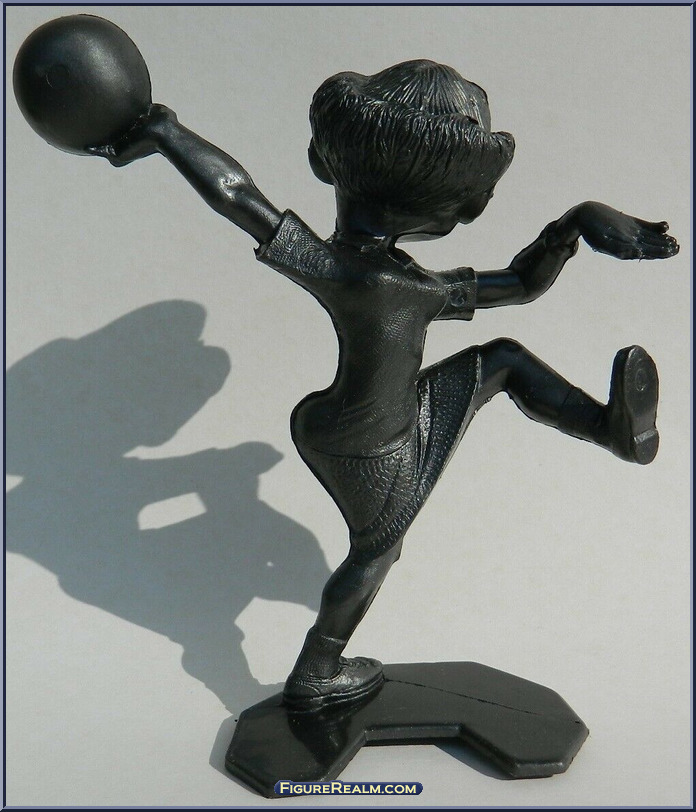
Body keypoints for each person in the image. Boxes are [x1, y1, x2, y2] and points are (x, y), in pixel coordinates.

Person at [90, 59, 679, 710]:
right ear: (462, 208)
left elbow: (239, 196)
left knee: (504, 360)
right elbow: (523, 284)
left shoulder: (372, 274)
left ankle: (609, 428)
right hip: (371, 442)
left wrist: (166, 132)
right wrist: (574, 225)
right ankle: (316, 672)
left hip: (380, 418)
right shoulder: (405, 286)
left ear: (322, 160)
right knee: (376, 552)